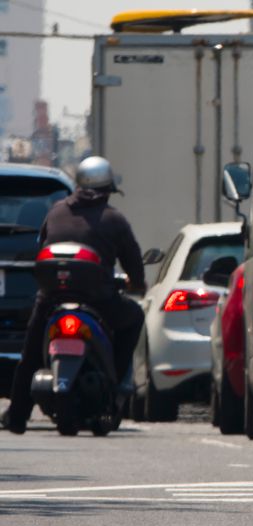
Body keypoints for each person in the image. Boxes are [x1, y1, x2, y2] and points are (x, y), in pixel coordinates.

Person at [1, 156, 146, 434]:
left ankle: (17, 415)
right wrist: (137, 284)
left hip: (51, 299)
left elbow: (41, 247)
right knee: (134, 317)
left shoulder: (55, 212)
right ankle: (113, 382)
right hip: (99, 301)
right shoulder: (114, 219)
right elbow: (133, 263)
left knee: (30, 355)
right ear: (107, 189)